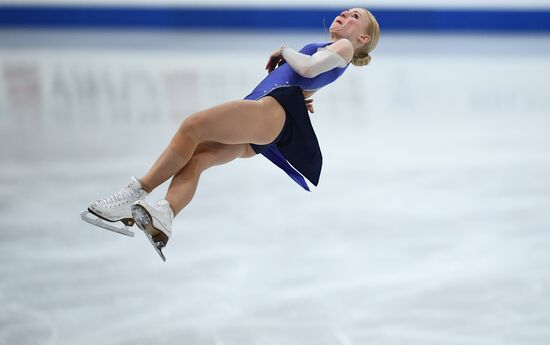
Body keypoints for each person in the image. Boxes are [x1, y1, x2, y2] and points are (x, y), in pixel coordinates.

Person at [81, 7, 381, 259]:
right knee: (198, 158)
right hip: (267, 121)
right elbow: (308, 77)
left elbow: (308, 69)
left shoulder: (344, 47)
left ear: (362, 37)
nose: (345, 14)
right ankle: (165, 215)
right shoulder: (332, 47)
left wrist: (285, 50)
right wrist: (301, 92)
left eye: (355, 16)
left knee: (193, 126)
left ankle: (134, 194)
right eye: (346, 11)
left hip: (271, 112)